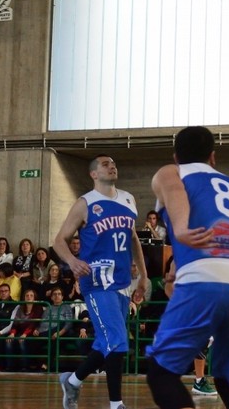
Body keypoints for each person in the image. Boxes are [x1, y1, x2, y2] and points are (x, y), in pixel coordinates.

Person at [145, 126, 229, 409]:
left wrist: (180, 228)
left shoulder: (172, 171)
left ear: (176, 156)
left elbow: (174, 189)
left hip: (207, 274)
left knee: (161, 371)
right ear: (213, 157)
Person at [55, 154, 148, 409]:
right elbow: (59, 240)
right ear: (93, 174)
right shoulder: (85, 203)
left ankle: (72, 381)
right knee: (117, 340)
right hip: (95, 282)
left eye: (114, 163)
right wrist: (72, 261)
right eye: (105, 164)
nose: (112, 165)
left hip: (121, 282)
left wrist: (143, 275)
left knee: (105, 342)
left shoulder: (128, 199)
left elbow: (133, 240)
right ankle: (116, 404)